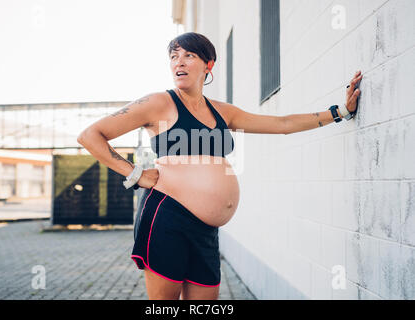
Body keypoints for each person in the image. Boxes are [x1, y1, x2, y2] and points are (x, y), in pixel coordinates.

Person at [77, 32, 363, 300]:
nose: (179, 62)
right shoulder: (158, 102)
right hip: (167, 217)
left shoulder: (222, 111)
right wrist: (135, 173)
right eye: (174, 56)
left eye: (188, 55)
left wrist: (340, 111)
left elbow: (282, 124)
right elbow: (91, 136)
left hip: (206, 230)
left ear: (208, 64)